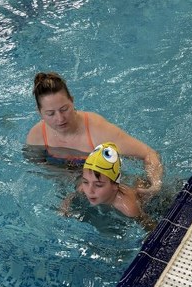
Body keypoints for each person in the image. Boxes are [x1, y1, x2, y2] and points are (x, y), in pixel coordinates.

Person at [25, 72, 163, 196]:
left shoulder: (97, 130)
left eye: (64, 109)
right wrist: (70, 178)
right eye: (50, 114)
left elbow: (149, 153)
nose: (60, 118)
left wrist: (155, 183)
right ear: (39, 112)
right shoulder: (36, 137)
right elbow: (37, 168)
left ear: (72, 101)